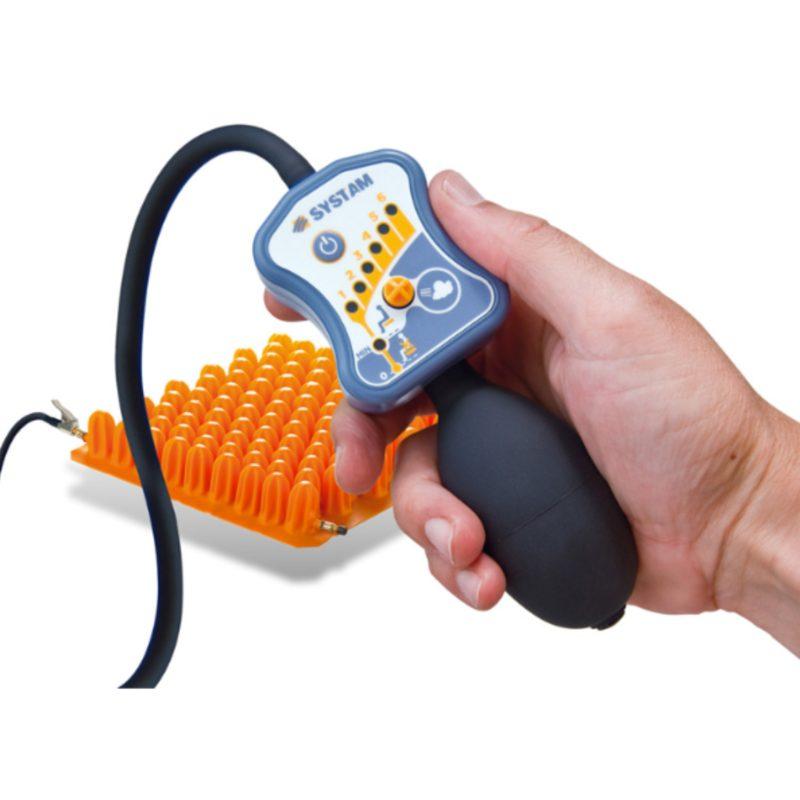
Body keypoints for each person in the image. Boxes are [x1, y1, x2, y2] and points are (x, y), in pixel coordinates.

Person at [265, 171, 800, 656]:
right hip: (487, 420)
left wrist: (740, 502)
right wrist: (742, 510)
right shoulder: (488, 408)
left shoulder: (388, 183)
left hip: (489, 421)